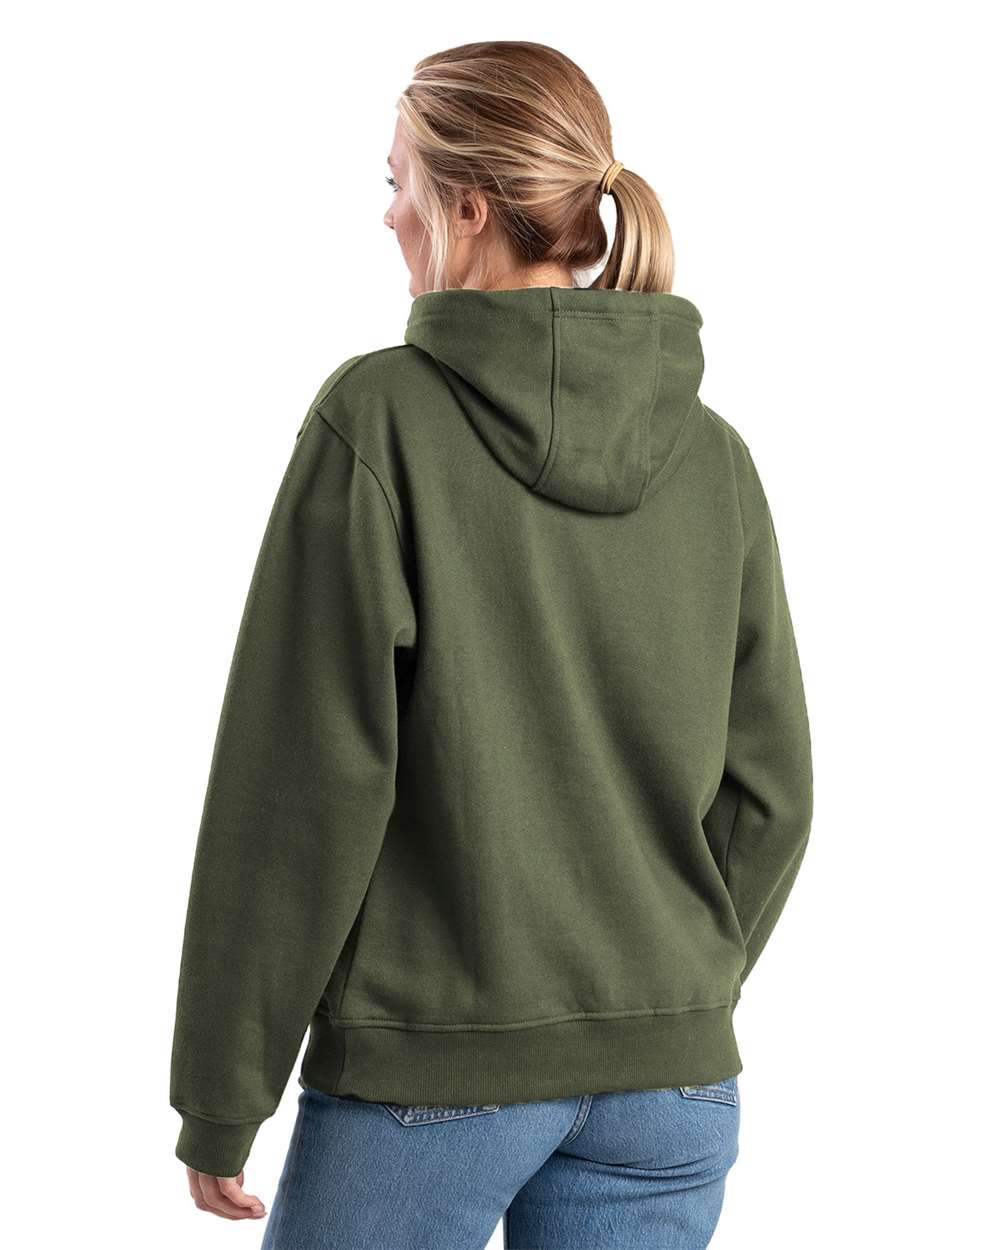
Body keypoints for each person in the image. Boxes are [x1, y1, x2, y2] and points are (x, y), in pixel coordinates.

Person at [170, 39, 813, 1250]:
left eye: (398, 181)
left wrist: (221, 1089)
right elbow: (771, 792)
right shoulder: (713, 455)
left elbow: (300, 784)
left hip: (432, 1068)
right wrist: (667, 994)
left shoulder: (379, 419)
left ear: (467, 208)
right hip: (670, 1093)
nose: (388, 214)